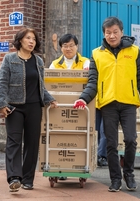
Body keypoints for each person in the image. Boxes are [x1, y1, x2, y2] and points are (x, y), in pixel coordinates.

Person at [73, 16, 140, 192]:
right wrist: (83, 98)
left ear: (122, 32)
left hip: (129, 103)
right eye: (108, 32)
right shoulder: (97, 54)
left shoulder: (134, 51)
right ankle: (115, 178)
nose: (112, 35)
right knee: (110, 143)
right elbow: (93, 82)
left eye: (115, 32)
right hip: (107, 103)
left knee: (131, 140)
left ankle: (129, 174)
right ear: (104, 34)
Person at [0, 27, 58, 192]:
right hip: (14, 107)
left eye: (34, 39)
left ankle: (28, 179)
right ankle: (14, 177)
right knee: (14, 142)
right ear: (20, 40)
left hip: (34, 107)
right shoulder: (9, 59)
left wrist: (50, 99)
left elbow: (41, 86)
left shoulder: (38, 61)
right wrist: (1, 104)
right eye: (28, 38)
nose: (32, 42)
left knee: (32, 144)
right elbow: (2, 83)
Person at [48, 33, 91, 179]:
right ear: (61, 48)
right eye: (65, 46)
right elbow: (50, 85)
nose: (68, 48)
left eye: (71, 45)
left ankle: (80, 165)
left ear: (77, 46)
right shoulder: (55, 64)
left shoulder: (86, 62)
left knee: (79, 136)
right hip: (60, 106)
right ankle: (60, 167)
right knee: (61, 135)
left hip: (80, 105)